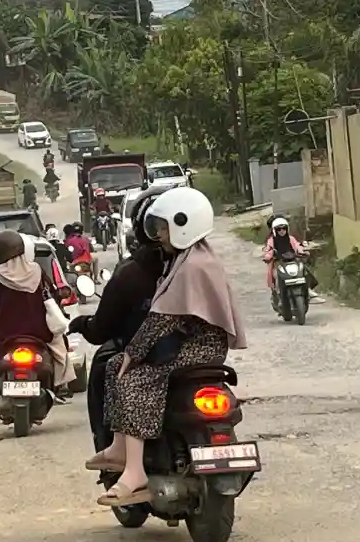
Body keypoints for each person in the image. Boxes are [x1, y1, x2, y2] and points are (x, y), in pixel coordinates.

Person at [84, 187, 247, 507]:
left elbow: (161, 319)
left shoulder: (191, 266)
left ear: (182, 224)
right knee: (117, 366)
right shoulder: (197, 257)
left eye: (163, 227)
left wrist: (134, 352)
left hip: (196, 350)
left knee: (132, 377)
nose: (158, 234)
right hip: (200, 346)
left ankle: (135, 473)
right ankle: (120, 448)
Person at [70, 185, 174, 452]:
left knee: (110, 370)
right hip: (200, 354)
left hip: (155, 354)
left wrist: (82, 324)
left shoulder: (132, 272)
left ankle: (112, 449)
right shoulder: (200, 261)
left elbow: (102, 330)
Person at [0, 230, 76, 400]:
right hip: (39, 332)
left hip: (6, 334)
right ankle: (62, 384)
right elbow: (52, 294)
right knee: (60, 348)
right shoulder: (37, 270)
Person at [264, 217, 307, 290]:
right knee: (276, 275)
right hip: (279, 263)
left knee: (304, 272)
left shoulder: (291, 238)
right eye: (279, 229)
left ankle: (308, 291)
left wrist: (301, 252)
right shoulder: (271, 240)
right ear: (274, 230)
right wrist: (268, 256)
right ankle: (278, 292)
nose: (282, 231)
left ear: (287, 229)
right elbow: (269, 250)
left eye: (284, 228)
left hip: (293, 261)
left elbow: (297, 246)